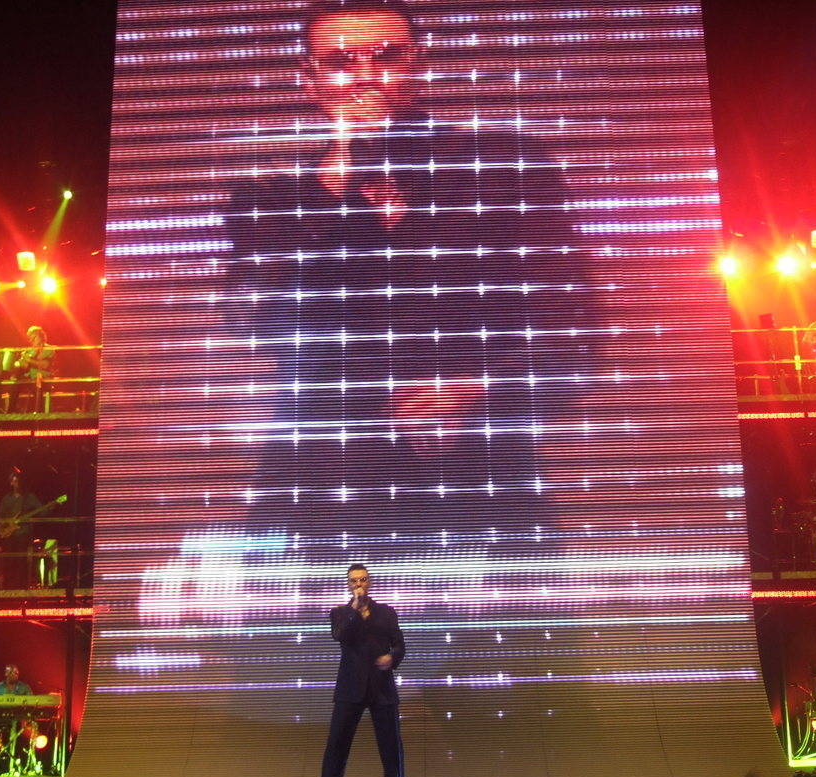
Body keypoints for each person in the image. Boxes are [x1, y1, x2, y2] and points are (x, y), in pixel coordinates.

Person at [229, 0, 595, 566]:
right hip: (320, 493)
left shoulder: (502, 167)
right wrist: (334, 185)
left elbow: (568, 327)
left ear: (416, 64)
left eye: (385, 56)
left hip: (475, 488)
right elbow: (263, 325)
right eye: (340, 61)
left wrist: (477, 385)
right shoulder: (271, 198)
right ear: (309, 78)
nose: (365, 75)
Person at [308, 564, 408, 777]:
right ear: (348, 584)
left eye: (362, 580)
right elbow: (339, 635)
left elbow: (399, 644)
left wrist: (392, 657)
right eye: (354, 581)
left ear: (369, 582)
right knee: (336, 750)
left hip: (381, 687)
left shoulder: (386, 612)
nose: (359, 584)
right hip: (350, 688)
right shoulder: (340, 613)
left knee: (392, 751)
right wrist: (355, 608)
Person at [0, 471, 41, 588]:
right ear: (11, 483)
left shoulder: (29, 497)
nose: (17, 484)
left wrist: (52, 505)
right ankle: (8, 586)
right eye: (14, 481)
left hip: (23, 533)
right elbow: (1, 516)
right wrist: (5, 526)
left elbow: (41, 511)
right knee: (9, 560)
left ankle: (21, 586)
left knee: (21, 560)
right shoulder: (6, 499)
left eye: (18, 481)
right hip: (9, 534)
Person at [3, 325, 56, 412]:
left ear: (40, 336)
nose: (31, 340)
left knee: (37, 386)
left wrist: (29, 360)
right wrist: (19, 363)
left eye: (33, 338)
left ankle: (39, 412)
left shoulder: (49, 349)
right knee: (15, 384)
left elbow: (45, 365)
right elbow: (24, 366)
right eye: (29, 338)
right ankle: (11, 411)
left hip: (43, 379)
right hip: (29, 378)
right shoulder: (29, 350)